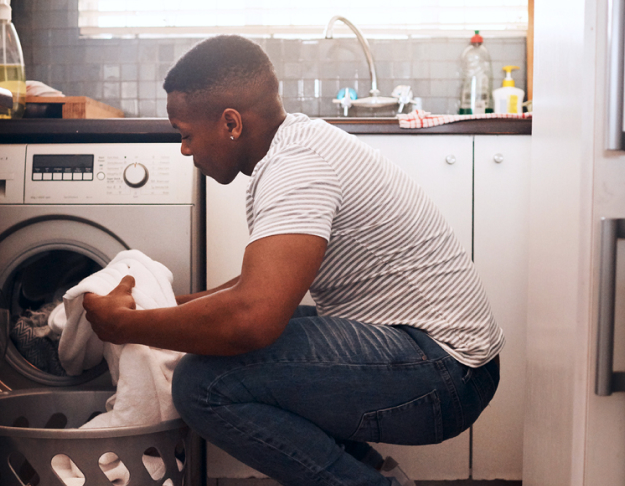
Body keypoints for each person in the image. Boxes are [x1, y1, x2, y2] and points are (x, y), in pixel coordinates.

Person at [82, 35, 504, 486]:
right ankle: (373, 475)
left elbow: (252, 318)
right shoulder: (296, 146)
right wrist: (163, 306)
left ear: (231, 123)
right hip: (443, 360)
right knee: (237, 349)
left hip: (446, 372)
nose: (185, 150)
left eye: (186, 135)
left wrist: (124, 326)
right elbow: (257, 286)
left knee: (201, 384)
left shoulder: (296, 166)